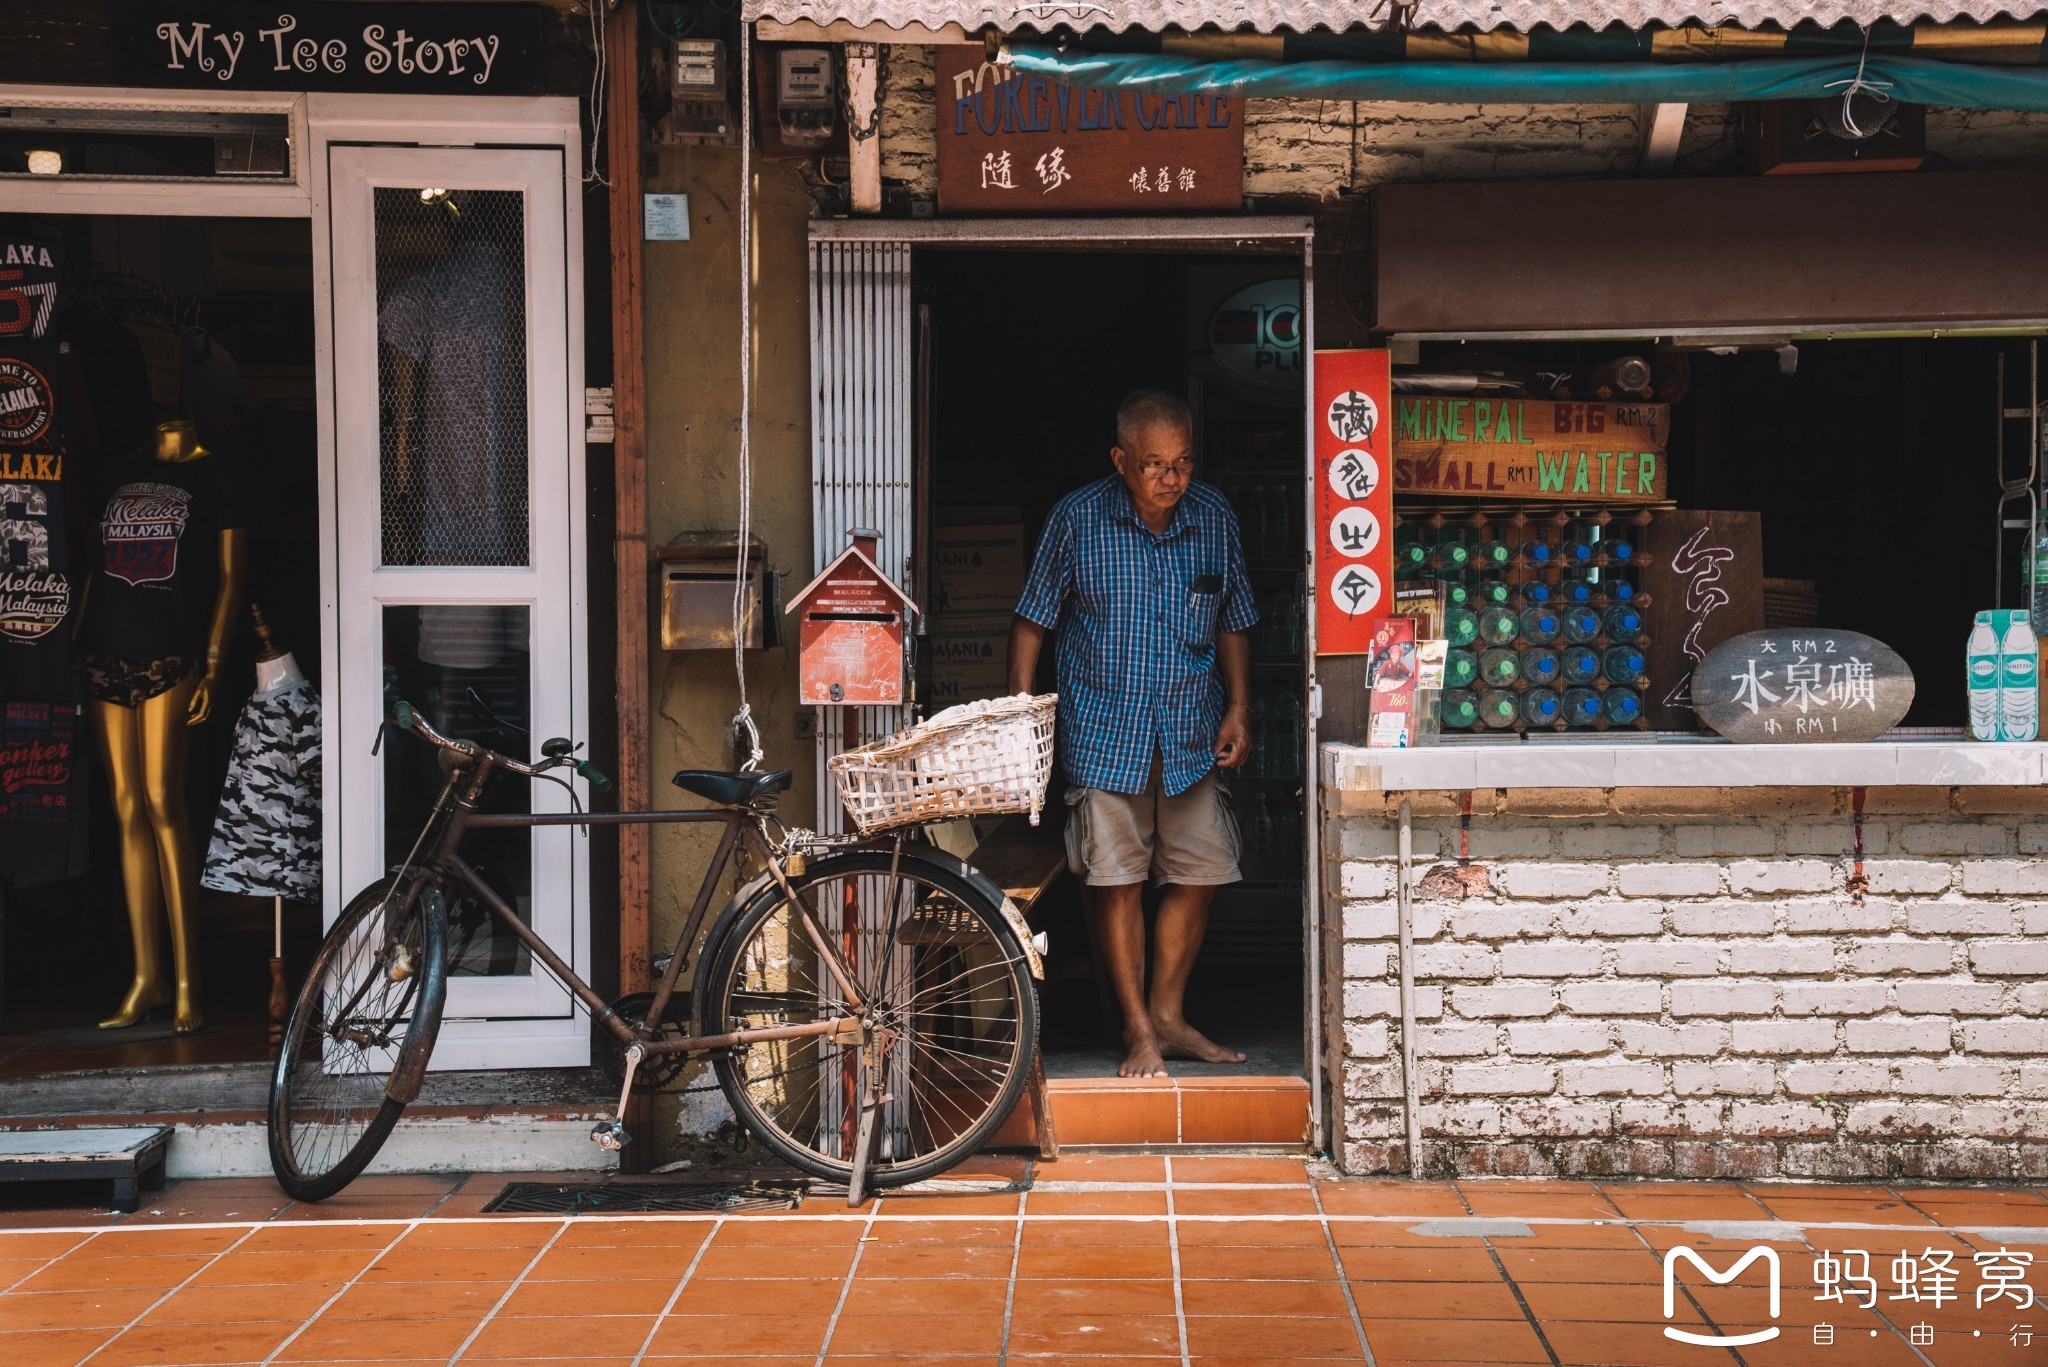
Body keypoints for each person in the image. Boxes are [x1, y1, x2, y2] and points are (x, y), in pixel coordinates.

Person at [1009, 389, 1258, 1078]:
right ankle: (1138, 1028)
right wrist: (1019, 716)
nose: (1172, 479)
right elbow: (1034, 618)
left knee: (1201, 871)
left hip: (1190, 733)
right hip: (1104, 729)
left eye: (1182, 462)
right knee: (1115, 881)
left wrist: (1240, 705)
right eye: (1155, 464)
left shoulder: (1213, 518)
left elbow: (1235, 615)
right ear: (1122, 460)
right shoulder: (1077, 519)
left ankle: (1172, 1016)